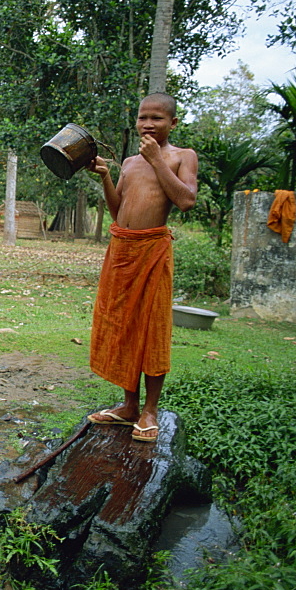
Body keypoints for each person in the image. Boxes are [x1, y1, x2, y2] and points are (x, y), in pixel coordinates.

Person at [85, 92, 197, 443]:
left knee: (151, 329)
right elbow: (119, 212)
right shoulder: (131, 163)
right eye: (143, 117)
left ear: (173, 123)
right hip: (121, 250)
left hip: (152, 252)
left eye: (157, 118)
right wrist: (105, 176)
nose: (148, 124)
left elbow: (186, 200)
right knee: (122, 326)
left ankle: (150, 410)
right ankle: (129, 405)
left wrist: (158, 161)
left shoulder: (183, 156)